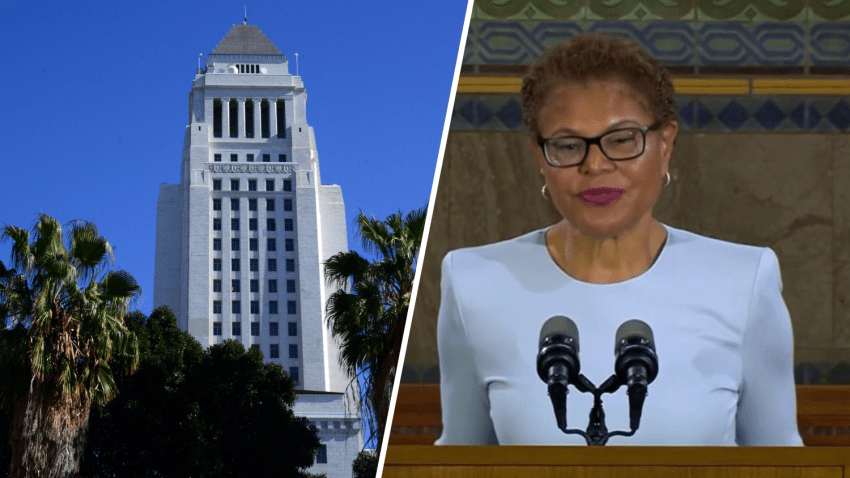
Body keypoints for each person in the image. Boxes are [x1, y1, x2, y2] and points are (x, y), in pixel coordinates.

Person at [435, 33, 803, 446]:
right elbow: (459, 461)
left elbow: (781, 460)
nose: (595, 164)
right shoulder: (473, 282)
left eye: (623, 139)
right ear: (541, 157)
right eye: (568, 145)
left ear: (665, 143)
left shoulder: (746, 280)